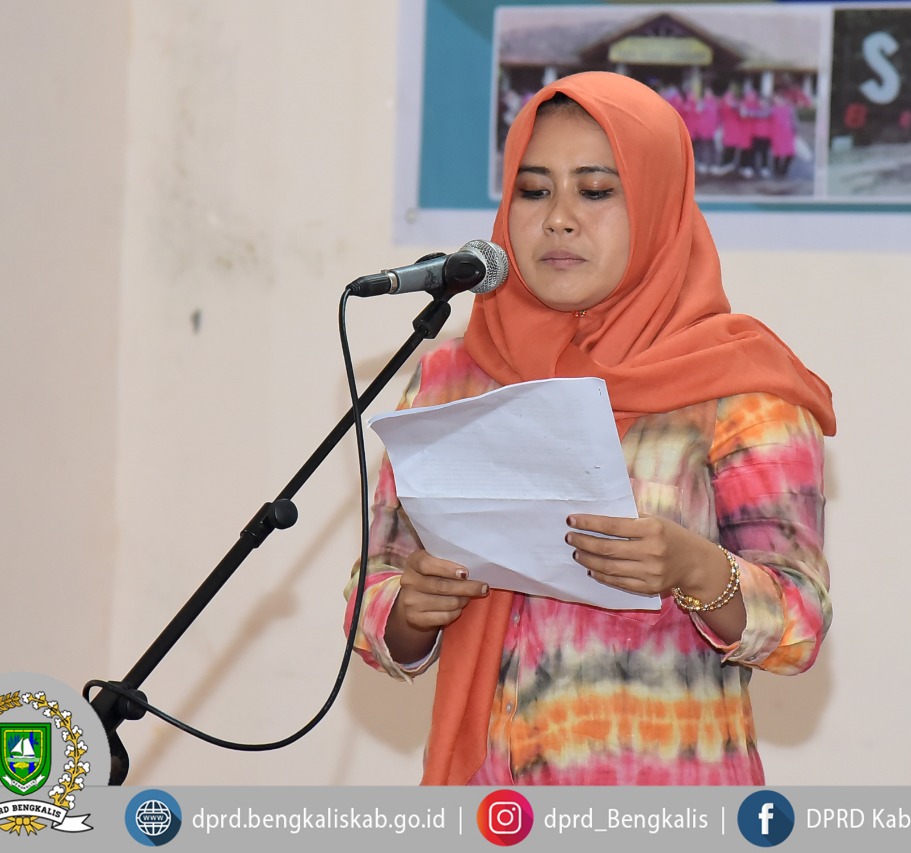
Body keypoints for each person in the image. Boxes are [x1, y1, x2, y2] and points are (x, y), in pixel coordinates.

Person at [345, 71, 836, 786]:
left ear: (658, 204)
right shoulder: (454, 376)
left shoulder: (737, 387)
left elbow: (799, 626)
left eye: (597, 191)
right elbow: (374, 596)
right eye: (533, 190)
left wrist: (696, 569)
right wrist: (410, 609)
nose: (559, 219)